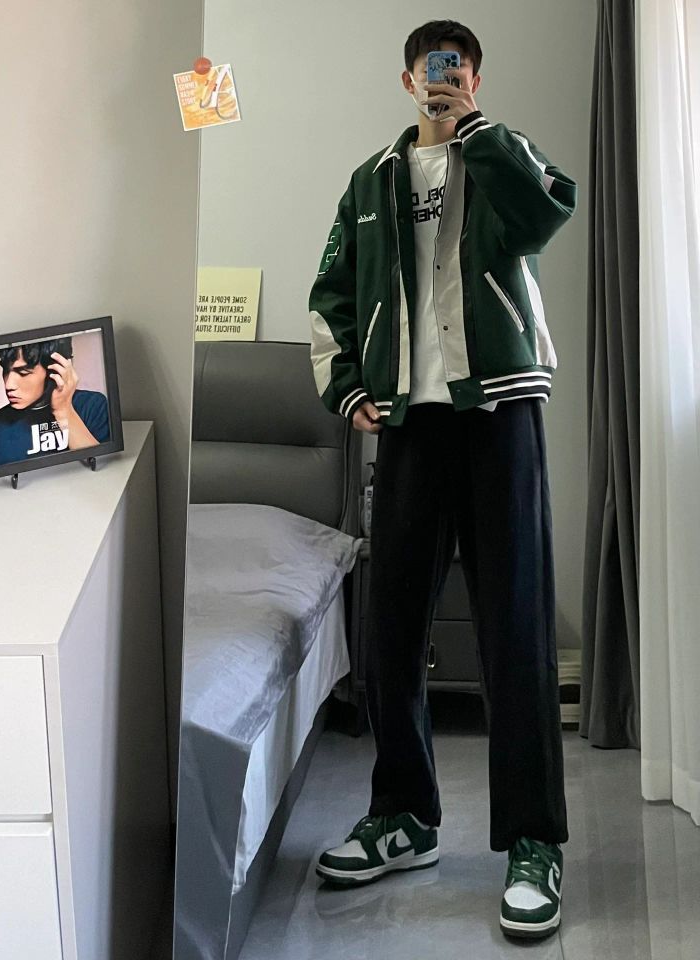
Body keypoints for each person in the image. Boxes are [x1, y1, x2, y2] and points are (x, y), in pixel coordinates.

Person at [307, 19, 576, 940]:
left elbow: (544, 215)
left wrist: (478, 132)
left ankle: (534, 843)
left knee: (517, 631)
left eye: (457, 69)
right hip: (409, 423)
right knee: (388, 630)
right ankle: (405, 818)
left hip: (500, 413)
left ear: (475, 78)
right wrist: (348, 387)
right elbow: (330, 296)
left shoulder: (502, 154)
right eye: (430, 68)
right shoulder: (370, 181)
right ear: (405, 79)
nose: (442, 78)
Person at [0, 337, 110, 467]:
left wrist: (64, 411)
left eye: (23, 373)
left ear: (55, 370)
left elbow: (103, 469)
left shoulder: (92, 406)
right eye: (6, 371)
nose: (8, 385)